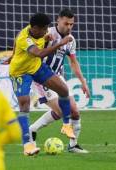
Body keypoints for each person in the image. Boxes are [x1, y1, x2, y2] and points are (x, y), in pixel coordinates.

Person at [9, 13, 75, 156]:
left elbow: (15, 41)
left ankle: (66, 125)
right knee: (24, 104)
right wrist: (59, 44)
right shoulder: (25, 38)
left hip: (36, 67)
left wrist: (12, 55)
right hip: (20, 73)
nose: (46, 31)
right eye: (44, 29)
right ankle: (27, 144)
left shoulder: (33, 31)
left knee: (64, 90)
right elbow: (39, 53)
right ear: (35, 28)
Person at [29, 9, 90, 153]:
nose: (69, 27)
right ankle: (32, 130)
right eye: (66, 23)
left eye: (72, 24)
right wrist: (44, 42)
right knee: (64, 111)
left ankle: (73, 145)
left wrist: (83, 82)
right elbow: (32, 52)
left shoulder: (71, 40)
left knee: (74, 111)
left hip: (57, 77)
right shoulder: (46, 33)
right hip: (41, 78)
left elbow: (73, 62)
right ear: (58, 21)